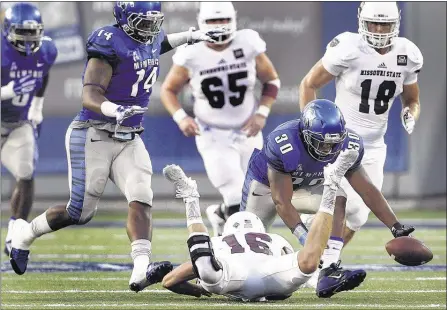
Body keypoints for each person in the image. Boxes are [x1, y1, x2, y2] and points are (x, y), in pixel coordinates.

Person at [9, 1, 224, 293]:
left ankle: (139, 270)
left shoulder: (144, 39)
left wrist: (189, 36)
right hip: (93, 132)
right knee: (80, 212)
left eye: (153, 21)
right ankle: (24, 234)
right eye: (142, 21)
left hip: (129, 136)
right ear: (123, 18)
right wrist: (113, 109)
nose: (149, 28)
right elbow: (90, 93)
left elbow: (157, 45)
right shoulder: (108, 42)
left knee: (141, 196)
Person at [297, 1, 423, 286]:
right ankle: (327, 267)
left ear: (396, 24)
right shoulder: (349, 48)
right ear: (362, 22)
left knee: (357, 215)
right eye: (374, 24)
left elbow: (412, 98)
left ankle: (317, 251)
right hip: (340, 139)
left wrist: (409, 112)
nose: (379, 30)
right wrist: (310, 126)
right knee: (338, 199)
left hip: (374, 145)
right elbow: (308, 83)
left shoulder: (407, 54)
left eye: (385, 24)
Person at [240, 98, 415, 296]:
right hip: (265, 188)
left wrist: (395, 226)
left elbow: (367, 190)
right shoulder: (283, 142)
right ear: (305, 134)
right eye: (321, 143)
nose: (328, 150)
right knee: (249, 246)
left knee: (338, 196)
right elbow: (281, 201)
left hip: (307, 186)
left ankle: (329, 269)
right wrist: (306, 239)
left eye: (334, 144)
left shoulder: (349, 143)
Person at [153, 159, 368, 301]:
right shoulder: (274, 239)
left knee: (207, 271)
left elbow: (170, 281)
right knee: (309, 262)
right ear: (259, 230)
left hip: (234, 275)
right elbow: (284, 293)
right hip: (272, 273)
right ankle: (330, 188)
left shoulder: (220, 243)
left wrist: (198, 289)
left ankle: (191, 197)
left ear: (229, 231)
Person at [160, 2, 280, 237]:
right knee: (235, 194)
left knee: (260, 195)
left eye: (223, 20)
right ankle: (238, 250)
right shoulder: (191, 52)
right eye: (213, 21)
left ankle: (222, 215)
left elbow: (272, 81)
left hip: (248, 129)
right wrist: (181, 117)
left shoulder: (247, 43)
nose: (219, 26)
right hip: (212, 133)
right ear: (202, 22)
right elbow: (168, 90)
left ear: (234, 20)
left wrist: (262, 113)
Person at [1, 3, 58, 256]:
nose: (28, 39)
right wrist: (8, 91)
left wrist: (37, 105)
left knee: (26, 173)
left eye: (32, 32)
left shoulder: (47, 49)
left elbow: (42, 73)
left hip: (18, 123)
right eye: (21, 32)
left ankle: (15, 231)